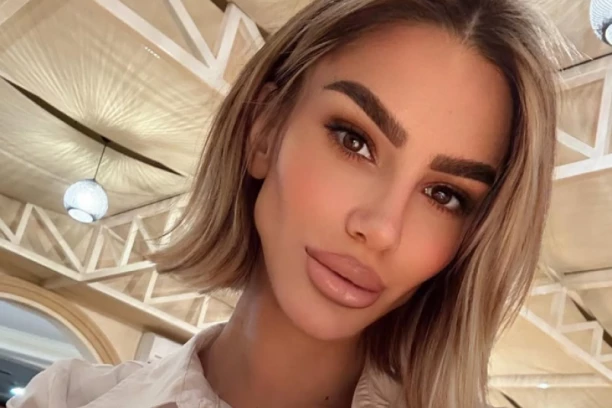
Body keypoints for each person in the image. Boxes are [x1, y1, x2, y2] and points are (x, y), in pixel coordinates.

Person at [9, 0, 562, 407]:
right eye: (354, 141)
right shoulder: (67, 400)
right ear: (265, 131)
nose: (382, 228)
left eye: (444, 195)